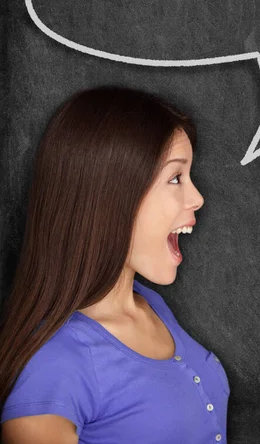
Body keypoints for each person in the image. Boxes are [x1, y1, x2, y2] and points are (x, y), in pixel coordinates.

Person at [0, 86, 230, 444]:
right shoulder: (54, 364)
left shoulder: (151, 304)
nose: (198, 198)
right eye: (175, 178)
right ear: (111, 195)